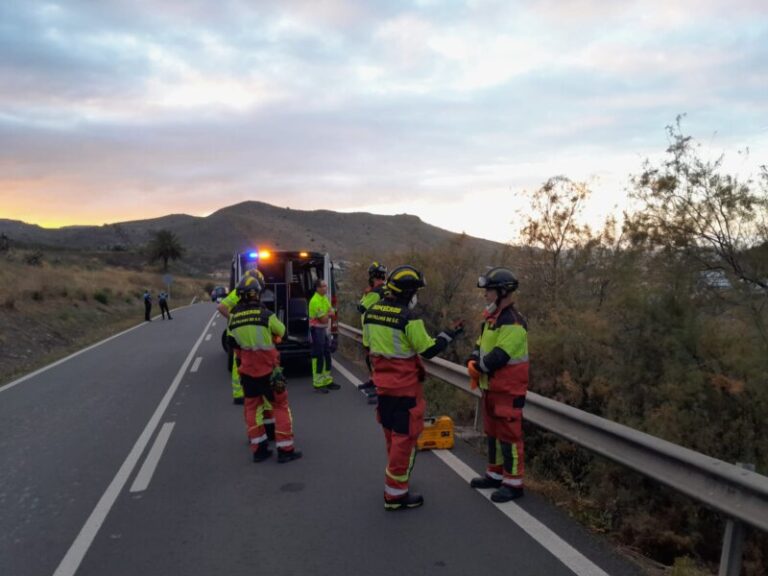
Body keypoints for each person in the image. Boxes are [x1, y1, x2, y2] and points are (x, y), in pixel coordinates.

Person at [363, 265, 463, 511]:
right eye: (416, 291)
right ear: (408, 292)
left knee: (391, 436)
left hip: (383, 387)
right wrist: (449, 334)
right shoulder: (409, 318)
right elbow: (428, 349)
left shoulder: (372, 312)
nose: (417, 296)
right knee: (404, 440)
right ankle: (395, 494)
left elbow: (368, 346)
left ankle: (397, 481)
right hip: (405, 388)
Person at [467, 267, 529, 502]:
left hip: (508, 390)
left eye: (489, 290)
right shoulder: (491, 319)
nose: (485, 294)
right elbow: (480, 344)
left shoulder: (514, 322)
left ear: (502, 292)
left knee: (510, 438)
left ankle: (514, 483)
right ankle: (495, 475)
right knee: (493, 434)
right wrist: (472, 359)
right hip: (491, 388)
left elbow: (500, 356)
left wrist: (478, 367)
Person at [227, 270, 301, 463]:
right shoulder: (266, 315)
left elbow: (233, 344)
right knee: (280, 406)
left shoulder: (233, 319)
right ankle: (285, 449)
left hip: (247, 372)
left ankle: (259, 449)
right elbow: (282, 332)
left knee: (252, 409)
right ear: (258, 294)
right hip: (270, 371)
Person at [357, 261, 387, 402]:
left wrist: (365, 295)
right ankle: (373, 381)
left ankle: (379, 388)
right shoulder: (385, 289)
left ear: (372, 276)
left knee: (375, 360)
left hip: (373, 331)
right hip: (376, 330)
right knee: (371, 358)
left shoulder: (375, 292)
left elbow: (361, 308)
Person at [308, 278, 339, 392]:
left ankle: (327, 380)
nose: (326, 288)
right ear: (318, 288)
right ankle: (318, 383)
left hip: (323, 330)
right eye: (323, 286)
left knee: (327, 354)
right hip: (316, 330)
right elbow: (324, 319)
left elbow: (333, 312)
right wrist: (329, 314)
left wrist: (329, 314)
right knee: (318, 356)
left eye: (326, 286)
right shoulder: (315, 301)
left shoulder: (324, 298)